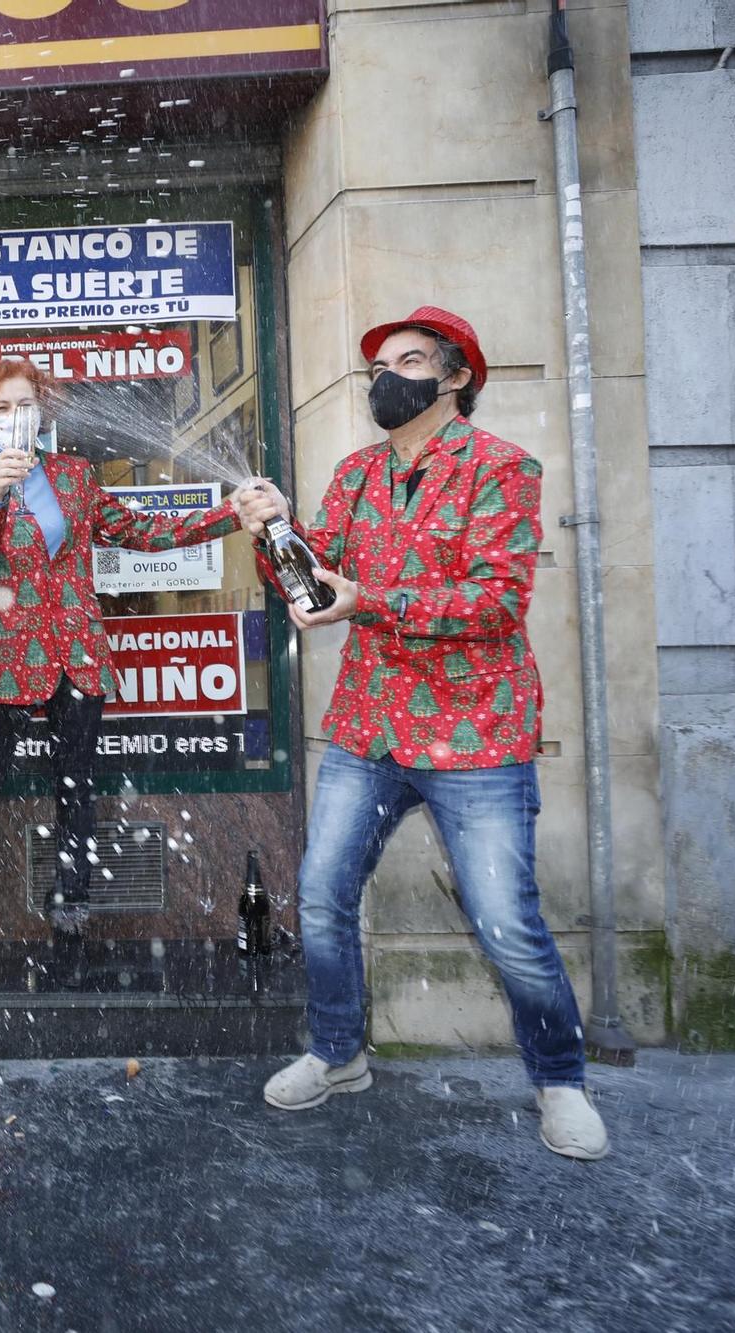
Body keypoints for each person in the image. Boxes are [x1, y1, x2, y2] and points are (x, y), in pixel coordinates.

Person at [235, 305, 608, 1161]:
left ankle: (560, 1079)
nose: (387, 378)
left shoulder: (502, 468)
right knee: (322, 897)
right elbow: (316, 572)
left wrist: (372, 601)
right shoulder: (357, 472)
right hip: (369, 725)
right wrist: (274, 527)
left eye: (408, 360)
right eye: (378, 367)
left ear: (454, 377)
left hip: (475, 733)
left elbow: (496, 602)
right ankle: (338, 1054)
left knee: (507, 921)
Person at [0, 358, 244, 990]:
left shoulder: (73, 476)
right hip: (3, 662)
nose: (14, 418)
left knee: (76, 796)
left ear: (42, 411)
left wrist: (232, 514)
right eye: (1, 408)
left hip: (76, 658)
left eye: (25, 405)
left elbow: (139, 531)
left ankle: (70, 936)